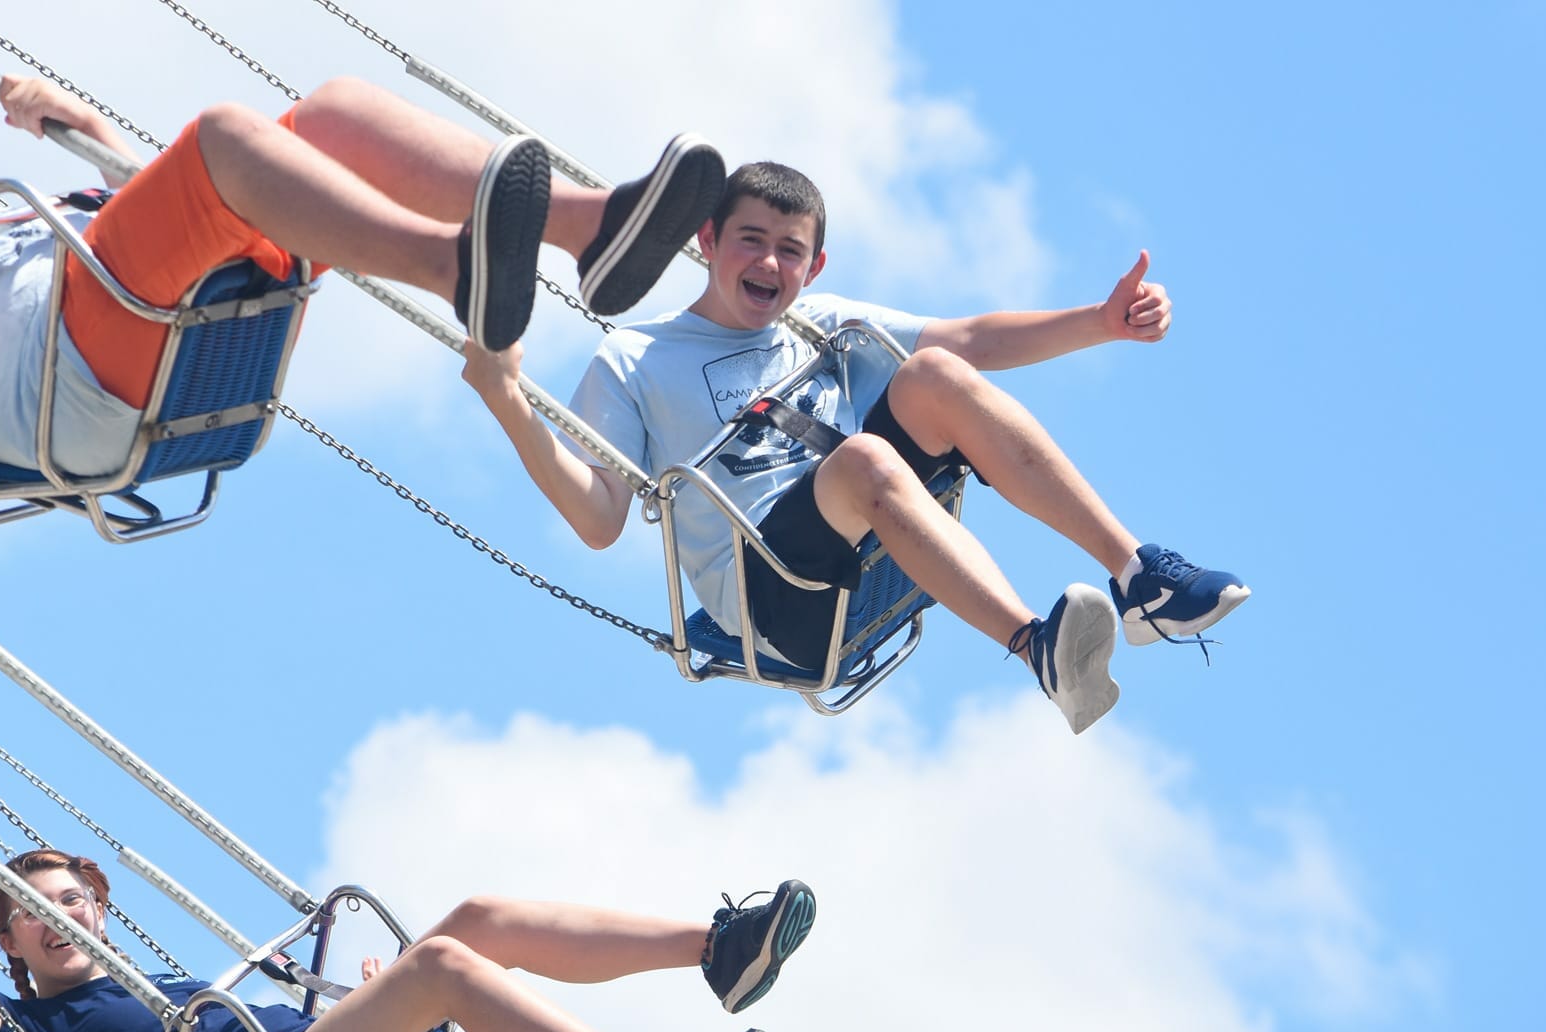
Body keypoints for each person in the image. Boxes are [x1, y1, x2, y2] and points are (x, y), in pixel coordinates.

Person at [463, 162, 1250, 734]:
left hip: (868, 531)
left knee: (936, 371)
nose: (769, 263)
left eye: (790, 249)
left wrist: (1099, 323)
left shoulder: (823, 319)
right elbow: (601, 518)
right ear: (706, 241)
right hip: (777, 595)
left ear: (816, 265)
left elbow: (973, 337)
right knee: (864, 463)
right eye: (750, 241)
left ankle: (1137, 576)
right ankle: (1037, 648)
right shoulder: (634, 359)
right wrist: (508, 402)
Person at [0, 75, 723, 478]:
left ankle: (591, 228)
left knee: (331, 116)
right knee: (225, 138)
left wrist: (87, 130)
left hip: (136, 312)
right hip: (61, 380)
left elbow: (167, 218)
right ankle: (450, 264)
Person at [0, 849, 817, 1032]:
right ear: (9, 944)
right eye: (39, 914)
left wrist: (362, 1000)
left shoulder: (155, 983)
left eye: (75, 902)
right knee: (444, 965)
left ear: (103, 915)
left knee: (478, 920)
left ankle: (723, 950)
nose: (61, 918)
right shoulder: (20, 1031)